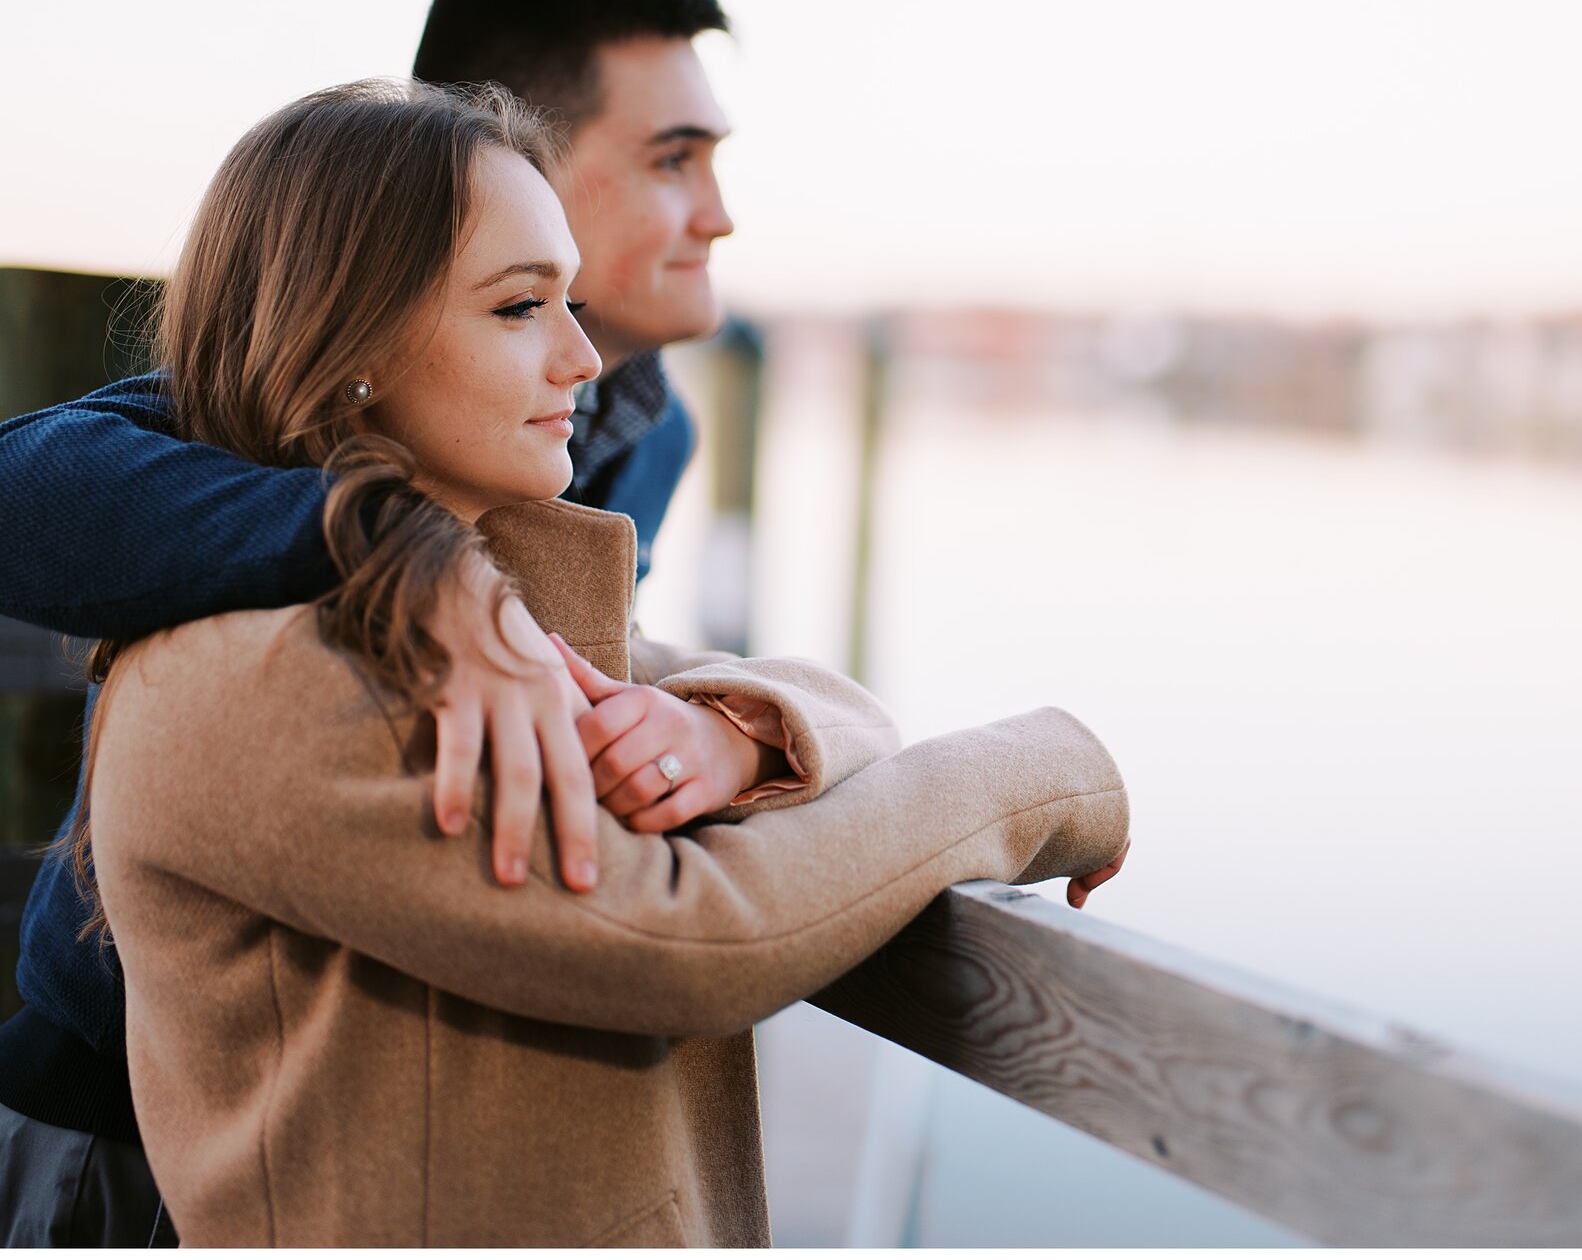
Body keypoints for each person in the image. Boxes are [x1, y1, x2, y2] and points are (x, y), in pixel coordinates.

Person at [70, 79, 1129, 1243]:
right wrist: (1041, 778)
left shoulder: (494, 624)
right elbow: (681, 945)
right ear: (352, 344)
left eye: (568, 299)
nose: (583, 357)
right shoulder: (260, 678)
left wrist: (732, 732)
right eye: (521, 307)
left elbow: (834, 699)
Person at [0, 0, 740, 1243]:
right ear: (500, 152)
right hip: (117, 1123)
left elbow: (589, 667)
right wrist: (403, 546)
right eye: (671, 158)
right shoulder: (284, 401)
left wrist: (725, 730)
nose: (718, 211)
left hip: (363, 1141)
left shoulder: (646, 434)